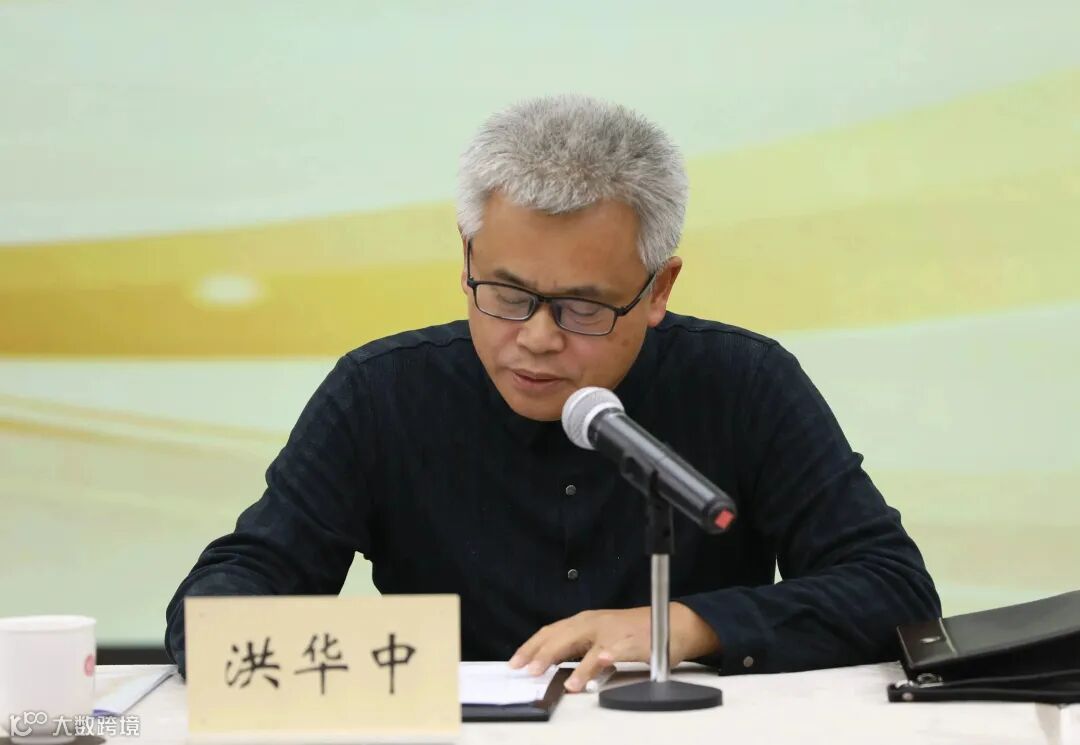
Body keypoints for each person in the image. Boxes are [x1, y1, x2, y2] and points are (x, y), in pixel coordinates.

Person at [165, 95, 940, 693]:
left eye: (582, 307)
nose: (536, 337)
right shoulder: (382, 393)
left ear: (658, 288)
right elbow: (228, 593)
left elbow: (893, 588)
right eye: (506, 294)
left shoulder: (744, 382)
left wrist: (683, 624)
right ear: (466, 255)